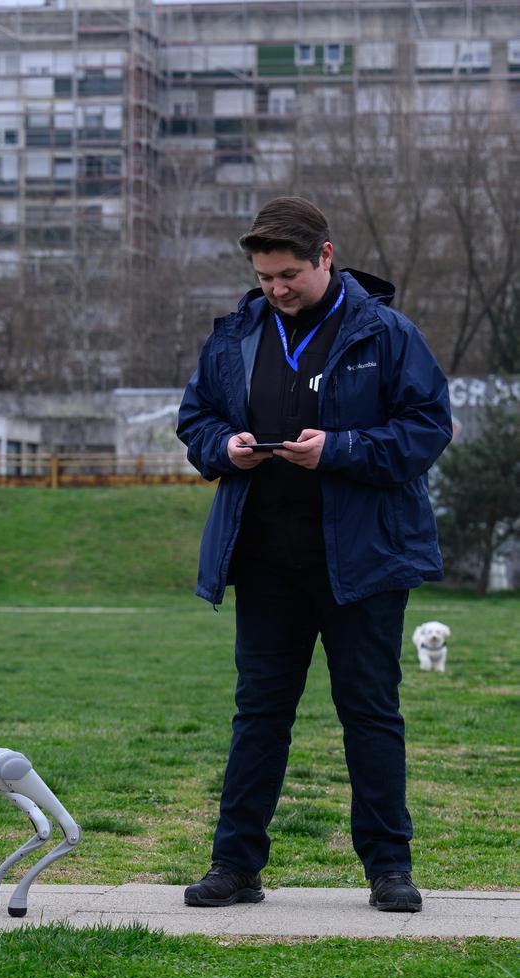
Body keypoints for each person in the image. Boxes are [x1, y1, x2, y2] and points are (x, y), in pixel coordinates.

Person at [176, 196, 452, 914]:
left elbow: (427, 428)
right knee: (258, 716)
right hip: (265, 563)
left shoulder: (387, 334)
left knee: (369, 713)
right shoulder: (234, 334)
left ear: (325, 257)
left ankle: (389, 868)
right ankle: (234, 866)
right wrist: (221, 448)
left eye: (289, 274)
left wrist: (339, 450)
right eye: (264, 276)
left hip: (363, 562)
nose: (275, 289)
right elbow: (195, 419)